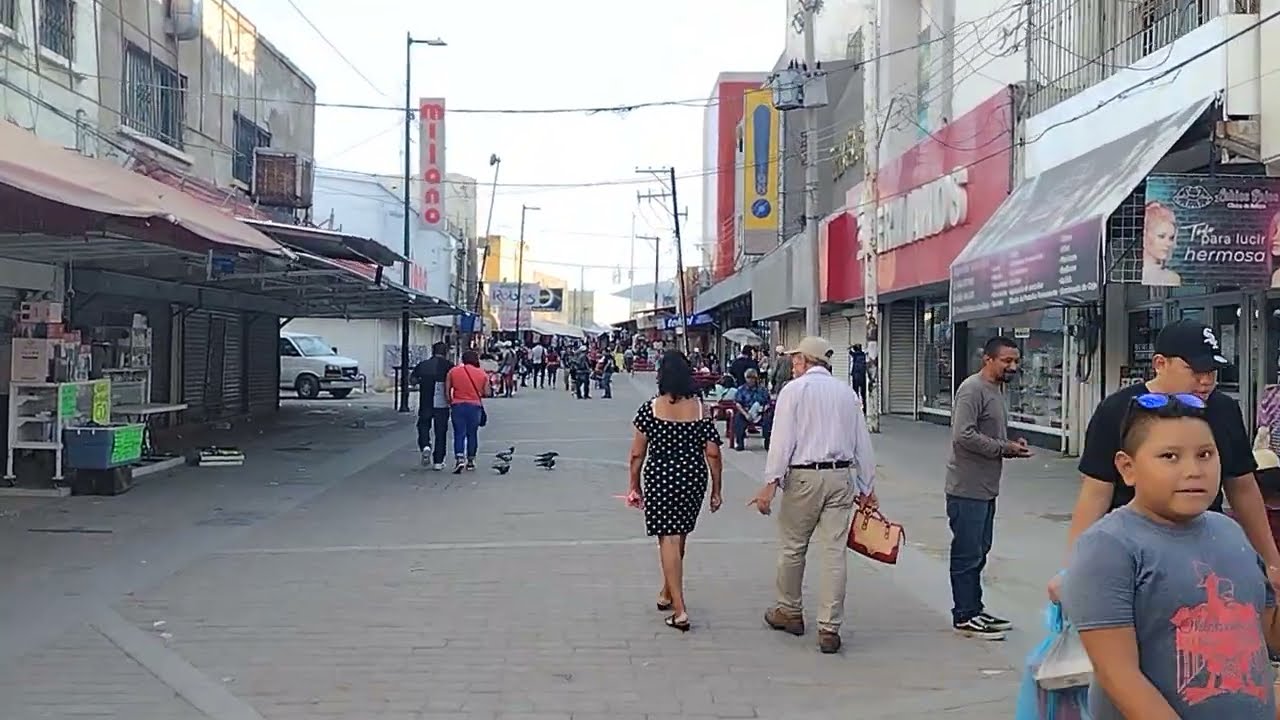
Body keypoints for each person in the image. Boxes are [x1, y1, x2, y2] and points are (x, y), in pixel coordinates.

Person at [1062, 392, 1280, 720]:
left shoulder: (1232, 532)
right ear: (1127, 468)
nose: (1194, 470)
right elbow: (1119, 676)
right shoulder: (1109, 546)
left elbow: (1266, 640)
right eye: (1170, 457)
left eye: (1205, 454)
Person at [1048, 319, 1280, 604]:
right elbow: (1096, 492)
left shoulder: (1224, 409)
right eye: (1194, 370)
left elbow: (1242, 487)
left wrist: (1271, 559)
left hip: (1206, 549)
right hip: (1135, 553)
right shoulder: (1118, 410)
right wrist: (1073, 567)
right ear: (1160, 363)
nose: (1205, 381)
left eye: (1212, 371)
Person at [747, 336, 876, 654]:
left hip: (804, 477)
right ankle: (829, 627)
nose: (793, 366)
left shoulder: (795, 391)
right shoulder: (847, 394)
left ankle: (789, 611)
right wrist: (867, 487)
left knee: (793, 547)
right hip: (840, 477)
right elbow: (863, 442)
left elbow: (781, 440)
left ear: (806, 361)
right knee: (834, 553)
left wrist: (770, 482)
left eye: (796, 360)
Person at [628, 350, 723, 632]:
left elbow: (636, 454)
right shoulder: (700, 409)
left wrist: (633, 484)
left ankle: (680, 610)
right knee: (678, 535)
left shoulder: (650, 409)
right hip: (693, 477)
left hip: (660, 478)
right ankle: (667, 591)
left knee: (667, 538)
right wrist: (716, 490)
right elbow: (714, 454)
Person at [946, 336, 1032, 641]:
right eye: (1007, 361)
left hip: (985, 487)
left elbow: (990, 430)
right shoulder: (972, 389)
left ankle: (975, 608)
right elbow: (963, 435)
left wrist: (1013, 441)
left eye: (1016, 361)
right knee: (967, 553)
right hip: (967, 486)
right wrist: (1003, 448)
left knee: (980, 551)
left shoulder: (996, 390)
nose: (1013, 366)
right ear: (988, 360)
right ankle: (964, 615)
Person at [409, 341, 453, 470]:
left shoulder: (423, 365)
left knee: (423, 425)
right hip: (442, 403)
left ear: (433, 351)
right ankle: (438, 461)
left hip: (425, 401)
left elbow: (413, 380)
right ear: (445, 352)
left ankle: (425, 445)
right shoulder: (449, 366)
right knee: (441, 432)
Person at [444, 349, 489, 474]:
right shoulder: (482, 374)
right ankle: (471, 460)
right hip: (475, 407)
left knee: (459, 433)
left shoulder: (453, 371)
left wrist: (450, 401)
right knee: (472, 434)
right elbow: (487, 392)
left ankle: (459, 458)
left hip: (457, 405)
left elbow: (447, 390)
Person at [730, 368, 772, 452]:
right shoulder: (741, 389)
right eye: (748, 378)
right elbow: (738, 403)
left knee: (768, 420)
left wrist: (763, 409)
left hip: (760, 412)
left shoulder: (762, 390)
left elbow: (768, 402)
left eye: (753, 378)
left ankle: (768, 442)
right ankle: (740, 443)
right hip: (745, 412)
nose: (751, 380)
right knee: (738, 419)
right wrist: (745, 414)